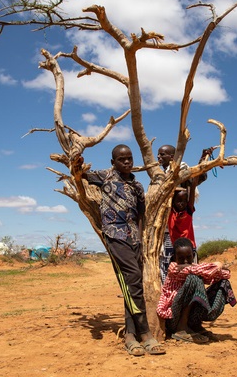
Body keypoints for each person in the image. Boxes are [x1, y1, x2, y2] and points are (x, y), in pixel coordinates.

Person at [83, 144, 166, 356]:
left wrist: (139, 238)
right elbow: (81, 174)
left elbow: (141, 215)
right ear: (113, 162)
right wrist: (76, 161)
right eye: (122, 159)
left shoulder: (137, 186)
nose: (127, 162)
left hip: (133, 238)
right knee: (134, 278)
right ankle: (145, 332)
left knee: (131, 285)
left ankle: (130, 336)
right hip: (114, 236)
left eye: (129, 158)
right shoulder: (105, 176)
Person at [157, 237, 236, 343]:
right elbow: (194, 270)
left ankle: (195, 325)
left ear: (193, 256)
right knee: (194, 278)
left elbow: (226, 275)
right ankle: (181, 327)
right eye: (181, 258)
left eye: (188, 257)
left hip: (190, 314)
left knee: (223, 283)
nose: (185, 261)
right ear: (174, 258)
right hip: (173, 317)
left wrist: (217, 267)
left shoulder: (195, 268)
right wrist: (217, 265)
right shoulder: (173, 267)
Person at [157, 145, 213, 283]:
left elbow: (196, 178)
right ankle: (169, 290)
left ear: (171, 157)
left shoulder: (181, 170)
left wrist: (203, 160)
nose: (158, 157)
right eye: (158, 154)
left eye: (162, 154)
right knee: (168, 266)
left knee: (187, 266)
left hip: (180, 236)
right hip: (164, 230)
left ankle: (187, 290)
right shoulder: (159, 175)